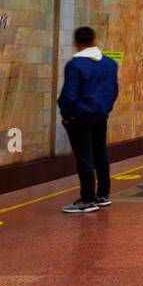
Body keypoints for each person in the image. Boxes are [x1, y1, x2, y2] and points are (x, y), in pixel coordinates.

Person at [57, 25, 120, 214]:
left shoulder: (75, 65)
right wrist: (105, 108)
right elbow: (114, 90)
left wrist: (67, 115)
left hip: (79, 116)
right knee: (100, 153)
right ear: (94, 40)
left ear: (76, 43)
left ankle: (87, 199)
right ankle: (103, 194)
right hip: (100, 115)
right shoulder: (109, 64)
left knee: (84, 157)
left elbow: (69, 94)